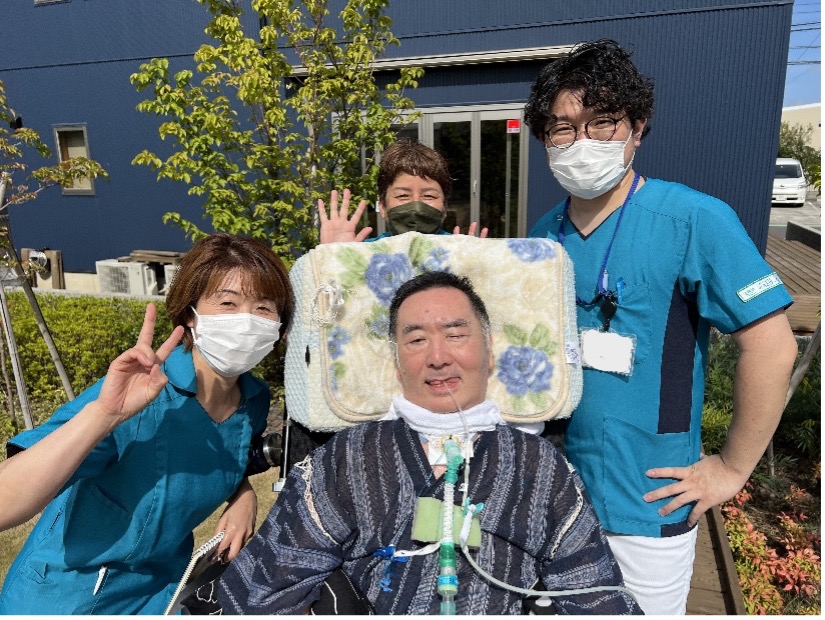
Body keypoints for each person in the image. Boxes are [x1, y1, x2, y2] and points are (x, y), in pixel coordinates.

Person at [524, 39, 798, 614]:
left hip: (649, 506)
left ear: (637, 128)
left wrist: (731, 469)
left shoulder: (694, 219)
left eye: (602, 123)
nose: (582, 142)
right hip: (555, 501)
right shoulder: (543, 236)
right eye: (563, 128)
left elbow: (772, 346)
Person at [217, 271, 642, 615]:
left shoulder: (541, 468)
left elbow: (595, 595)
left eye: (455, 335)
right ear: (397, 362)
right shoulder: (346, 460)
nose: (438, 357)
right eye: (416, 339)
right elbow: (265, 591)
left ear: (489, 350)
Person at [0, 233, 294, 614]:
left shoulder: (253, 400)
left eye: (263, 308)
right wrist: (104, 415)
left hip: (162, 595)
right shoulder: (140, 393)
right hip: (66, 596)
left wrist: (243, 496)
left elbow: (219, 456)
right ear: (191, 314)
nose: (246, 321)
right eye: (228, 303)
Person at [318, 139, 488, 243]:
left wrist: (476, 266)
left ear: (444, 206)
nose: (416, 206)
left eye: (429, 196)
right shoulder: (363, 254)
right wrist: (334, 256)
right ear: (382, 206)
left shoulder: (460, 251)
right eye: (403, 195)